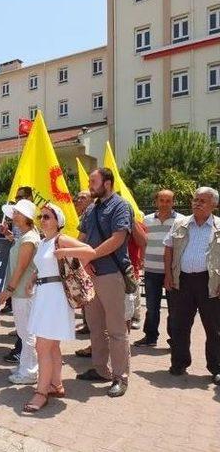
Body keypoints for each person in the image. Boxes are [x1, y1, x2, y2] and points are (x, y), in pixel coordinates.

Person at [19, 203, 95, 412]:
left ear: (57, 221)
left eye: (47, 217)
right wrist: (33, 278)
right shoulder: (43, 242)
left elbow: (90, 251)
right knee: (51, 346)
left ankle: (41, 392)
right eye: (41, 217)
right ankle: (55, 384)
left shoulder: (60, 239)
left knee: (42, 346)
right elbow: (44, 266)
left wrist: (65, 251)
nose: (42, 220)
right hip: (44, 295)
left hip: (55, 298)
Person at [77, 167, 133, 398]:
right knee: (96, 326)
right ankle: (101, 370)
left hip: (111, 274)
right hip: (90, 275)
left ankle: (121, 377)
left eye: (93, 181)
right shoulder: (91, 209)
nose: (90, 185)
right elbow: (81, 238)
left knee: (117, 330)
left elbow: (117, 239)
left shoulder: (121, 206)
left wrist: (89, 256)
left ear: (107, 183)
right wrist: (81, 259)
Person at [164, 187, 220, 384]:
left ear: (214, 205)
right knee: (179, 325)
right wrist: (168, 274)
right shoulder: (180, 223)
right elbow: (168, 248)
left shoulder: (219, 226)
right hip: (183, 280)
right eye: (195, 199)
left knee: (214, 328)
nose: (197, 203)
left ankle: (216, 368)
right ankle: (179, 363)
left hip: (210, 282)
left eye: (202, 200)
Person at [0, 199, 40, 384]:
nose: (13, 216)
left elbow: (21, 268)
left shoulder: (29, 238)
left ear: (26, 217)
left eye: (16, 213)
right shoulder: (26, 236)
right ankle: (26, 367)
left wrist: (8, 290)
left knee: (26, 333)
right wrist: (9, 236)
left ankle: (29, 372)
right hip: (21, 292)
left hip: (23, 293)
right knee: (25, 333)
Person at [134, 190, 183, 347]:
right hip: (151, 270)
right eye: (161, 200)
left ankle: (174, 340)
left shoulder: (181, 220)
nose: (164, 203)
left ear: (173, 202)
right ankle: (150, 337)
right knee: (152, 307)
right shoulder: (146, 220)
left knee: (174, 309)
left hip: (173, 272)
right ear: (156, 201)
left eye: (168, 200)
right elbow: (141, 242)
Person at [74, 190, 94, 338]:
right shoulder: (80, 216)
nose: (79, 200)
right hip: (81, 262)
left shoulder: (92, 215)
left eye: (83, 197)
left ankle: (92, 326)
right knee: (84, 294)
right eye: (78, 197)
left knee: (91, 297)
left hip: (92, 262)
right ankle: (87, 324)